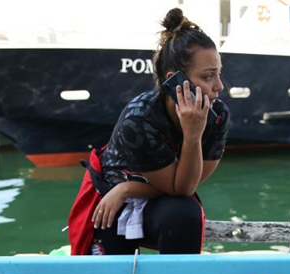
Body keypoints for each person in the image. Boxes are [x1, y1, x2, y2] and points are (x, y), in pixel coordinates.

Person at [68, 7, 230, 255]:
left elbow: (186, 187)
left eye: (219, 73)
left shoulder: (216, 116)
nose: (218, 86)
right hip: (111, 201)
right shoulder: (139, 119)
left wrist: (193, 135)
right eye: (208, 76)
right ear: (174, 79)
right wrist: (121, 189)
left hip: (152, 197)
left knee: (185, 211)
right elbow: (179, 185)